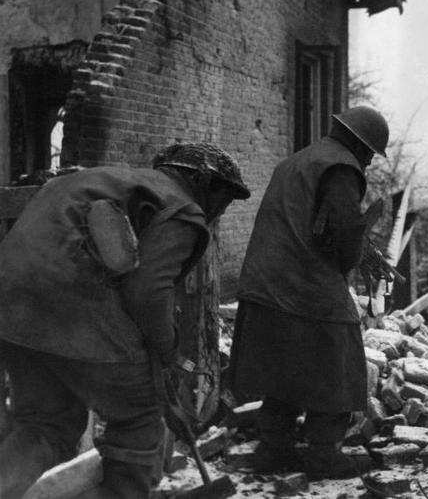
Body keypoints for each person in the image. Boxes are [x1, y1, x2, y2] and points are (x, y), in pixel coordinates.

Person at [0, 143, 250, 498]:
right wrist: (167, 351)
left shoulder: (101, 181)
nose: (221, 210)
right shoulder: (180, 208)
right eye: (225, 198)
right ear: (202, 181)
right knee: (139, 418)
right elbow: (148, 293)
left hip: (12, 315)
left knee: (45, 426)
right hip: (72, 308)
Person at [229, 105, 390, 479]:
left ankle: (274, 449)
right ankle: (323, 452)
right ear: (361, 146)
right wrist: (351, 260)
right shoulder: (341, 167)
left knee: (282, 364)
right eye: (369, 154)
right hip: (303, 278)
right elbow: (346, 229)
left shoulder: (296, 161)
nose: (367, 161)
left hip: (264, 280)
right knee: (339, 357)